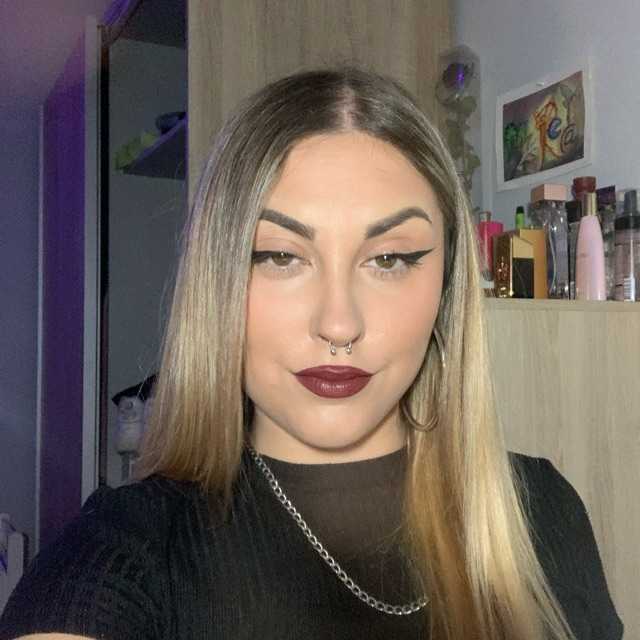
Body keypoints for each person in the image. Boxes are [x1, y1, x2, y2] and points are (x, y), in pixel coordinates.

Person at [0, 66, 623, 640]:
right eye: (280, 256)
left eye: (389, 259)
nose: (338, 324)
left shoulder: (542, 512)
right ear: (218, 281)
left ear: (446, 285)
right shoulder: (124, 550)